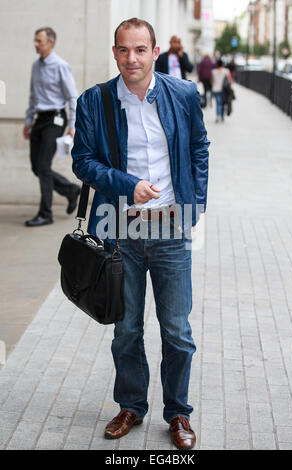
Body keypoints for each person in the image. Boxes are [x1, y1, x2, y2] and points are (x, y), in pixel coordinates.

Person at [71, 18, 210, 450]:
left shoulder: (183, 94)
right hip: (119, 232)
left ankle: (179, 413)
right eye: (124, 50)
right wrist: (124, 183)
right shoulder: (95, 101)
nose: (132, 59)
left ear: (154, 53)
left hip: (171, 227)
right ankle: (131, 405)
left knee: (177, 331)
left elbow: (200, 147)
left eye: (140, 50)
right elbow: (83, 161)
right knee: (126, 329)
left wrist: (197, 201)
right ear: (115, 52)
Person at [23, 27, 80, 227]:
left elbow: (72, 97)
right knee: (36, 167)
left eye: (39, 40)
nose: (36, 44)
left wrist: (72, 125)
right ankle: (71, 190)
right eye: (35, 40)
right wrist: (28, 120)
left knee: (44, 167)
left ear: (51, 43)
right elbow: (33, 95)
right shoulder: (35, 66)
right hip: (40, 119)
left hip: (56, 119)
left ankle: (45, 213)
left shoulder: (60, 66)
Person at [211, 59, 232, 123]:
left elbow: (212, 81)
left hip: (215, 89)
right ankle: (222, 117)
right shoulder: (226, 71)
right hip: (224, 90)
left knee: (218, 103)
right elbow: (229, 80)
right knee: (223, 103)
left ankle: (218, 116)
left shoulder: (213, 71)